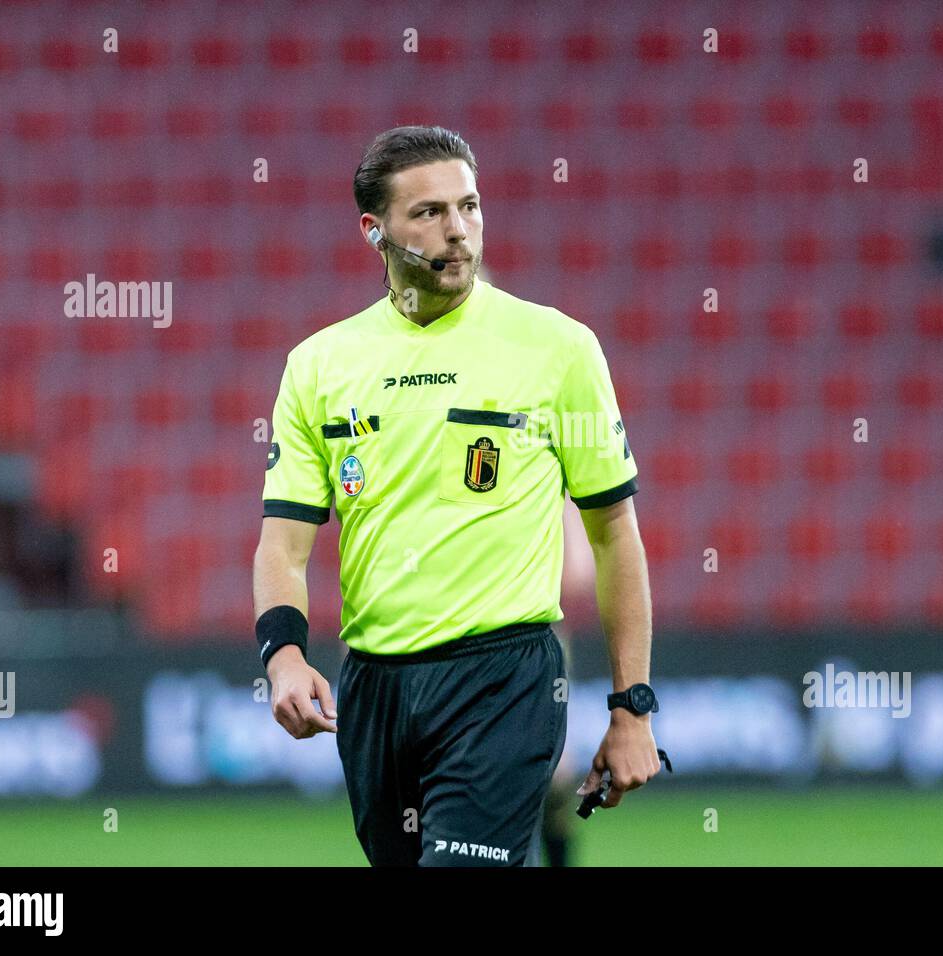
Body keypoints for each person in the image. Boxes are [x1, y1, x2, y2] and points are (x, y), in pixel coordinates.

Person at [251, 125, 662, 866]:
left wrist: (632, 708)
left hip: (503, 679)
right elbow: (283, 543)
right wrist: (281, 653)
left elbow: (613, 534)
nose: (458, 231)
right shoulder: (318, 366)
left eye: (469, 207)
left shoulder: (558, 348)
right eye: (430, 213)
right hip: (375, 687)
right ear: (374, 231)